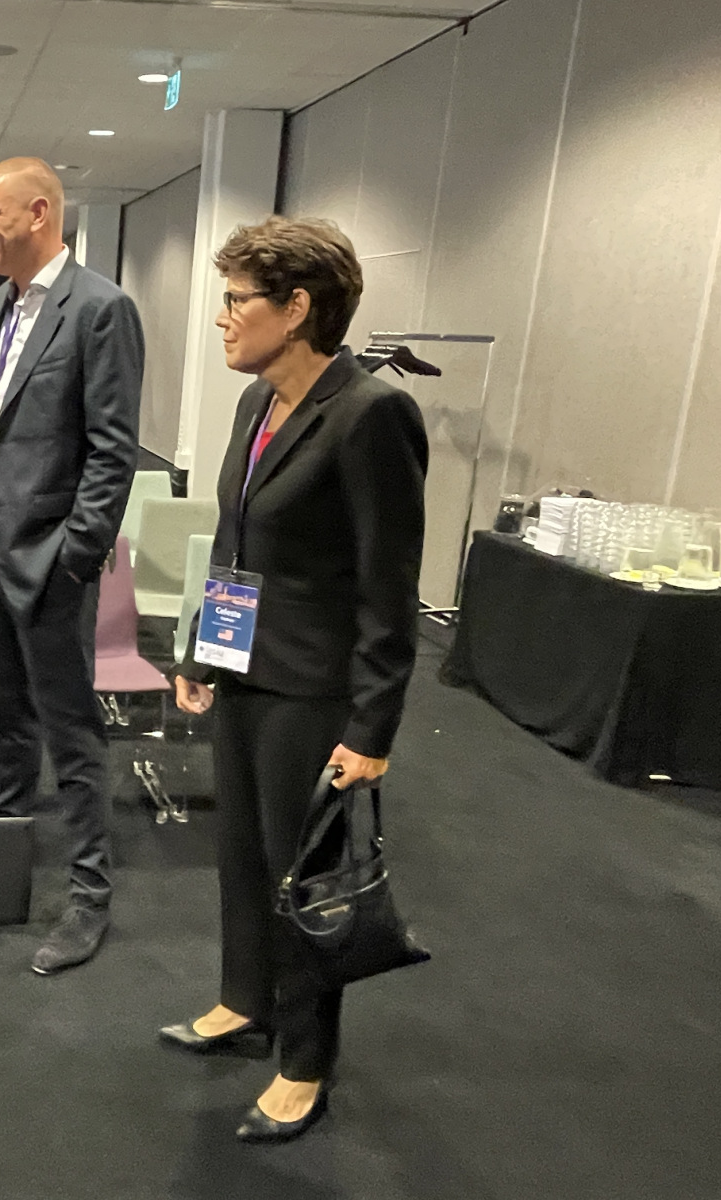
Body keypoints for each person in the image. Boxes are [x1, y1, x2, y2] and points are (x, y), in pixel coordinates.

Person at [162, 216, 427, 1144]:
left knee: (301, 880)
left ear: (298, 307)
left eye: (237, 299)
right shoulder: (256, 402)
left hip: (314, 692)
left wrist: (373, 728)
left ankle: (305, 1059)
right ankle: (246, 998)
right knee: (240, 854)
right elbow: (235, 546)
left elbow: (390, 587)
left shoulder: (371, 414)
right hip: (245, 674)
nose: (223, 317)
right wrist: (203, 647)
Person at [0, 156, 144, 976]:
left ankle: (89, 896)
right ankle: (1, 828)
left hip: (52, 555)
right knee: (8, 711)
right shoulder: (2, 303)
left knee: (72, 731)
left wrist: (75, 560)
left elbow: (112, 452)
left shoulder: (102, 308)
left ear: (40, 213)